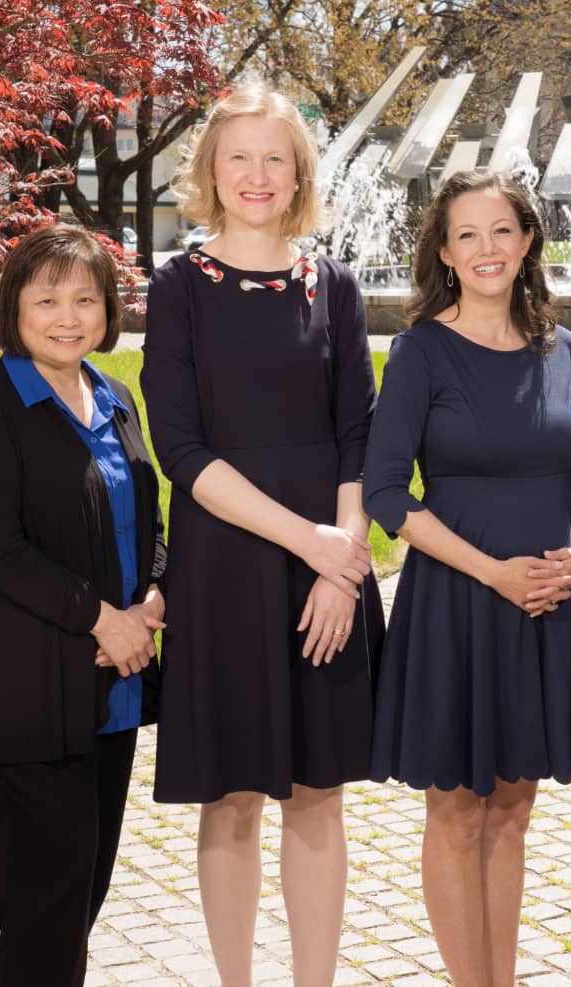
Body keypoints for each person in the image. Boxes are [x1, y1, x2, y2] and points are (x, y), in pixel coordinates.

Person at [140, 83, 385, 987]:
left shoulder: (337, 285)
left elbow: (359, 436)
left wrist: (342, 565)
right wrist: (309, 541)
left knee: (319, 795)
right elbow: (181, 450)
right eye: (237, 156)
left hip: (327, 574)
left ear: (297, 175)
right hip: (227, 568)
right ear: (209, 170)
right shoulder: (177, 290)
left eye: (273, 158)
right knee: (234, 796)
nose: (255, 174)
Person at [363, 169, 571, 987]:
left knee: (515, 806)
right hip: (458, 604)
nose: (487, 248)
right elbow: (386, 493)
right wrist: (493, 575)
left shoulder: (562, 349)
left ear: (529, 239)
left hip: (545, 607)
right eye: (467, 234)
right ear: (444, 251)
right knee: (459, 808)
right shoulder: (422, 350)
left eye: (501, 230)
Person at [0, 224, 166, 983]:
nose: (68, 316)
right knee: (43, 912)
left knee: (83, 898)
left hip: (113, 684)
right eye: (47, 299)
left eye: (85, 299)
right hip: (31, 695)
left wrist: (153, 605)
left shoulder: (114, 395)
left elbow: (148, 523)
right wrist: (106, 619)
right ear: (14, 308)